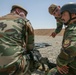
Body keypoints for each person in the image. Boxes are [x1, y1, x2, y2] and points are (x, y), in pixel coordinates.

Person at [0, 5, 34, 75]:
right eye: (25, 14)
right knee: (33, 56)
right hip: (14, 68)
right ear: (18, 11)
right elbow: (30, 46)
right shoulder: (24, 21)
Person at [47, 2, 76, 75]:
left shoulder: (69, 8)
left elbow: (70, 49)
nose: (57, 13)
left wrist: (60, 63)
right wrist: (55, 32)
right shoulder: (58, 18)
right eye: (54, 13)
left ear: (59, 7)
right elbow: (59, 27)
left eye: (57, 10)